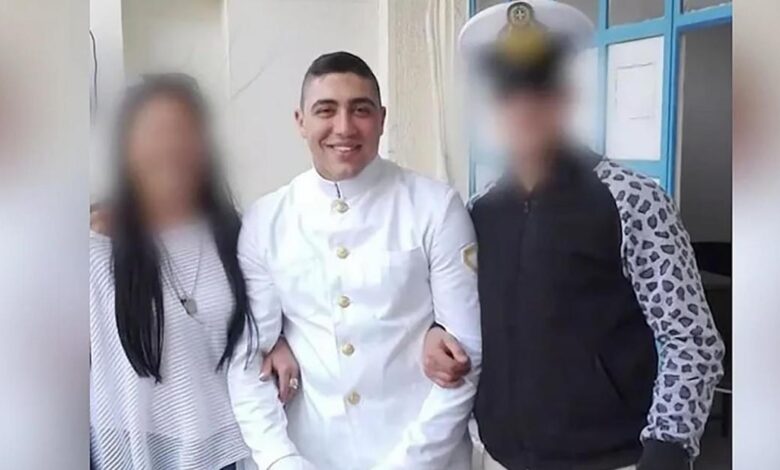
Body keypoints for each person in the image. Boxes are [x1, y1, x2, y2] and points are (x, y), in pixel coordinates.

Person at [423, 2, 725, 470]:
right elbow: (458, 317)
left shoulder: (632, 199)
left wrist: (668, 449)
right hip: (499, 457)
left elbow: (691, 339)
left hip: (611, 460)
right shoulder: (477, 213)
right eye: (508, 88)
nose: (525, 103)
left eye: (541, 84)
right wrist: (434, 335)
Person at [227, 52, 482, 470]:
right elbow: (249, 358)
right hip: (311, 456)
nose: (344, 127)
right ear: (300, 121)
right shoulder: (267, 220)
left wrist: (410, 464)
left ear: (382, 119)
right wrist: (279, 460)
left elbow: (465, 352)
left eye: (360, 110)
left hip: (425, 457)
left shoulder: (435, 208)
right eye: (325, 110)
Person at [89, 74, 300, 470]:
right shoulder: (96, 243)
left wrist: (278, 342)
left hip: (229, 452)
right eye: (155, 132)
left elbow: (259, 320)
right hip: (136, 454)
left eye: (183, 131)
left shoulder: (234, 232)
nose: (171, 147)